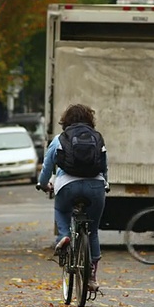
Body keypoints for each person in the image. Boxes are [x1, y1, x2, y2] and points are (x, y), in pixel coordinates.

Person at [37, 104, 108, 292]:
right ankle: (92, 277)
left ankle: (64, 236)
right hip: (95, 187)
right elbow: (104, 165)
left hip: (67, 186)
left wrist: (43, 183)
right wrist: (105, 183)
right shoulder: (97, 137)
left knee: (61, 210)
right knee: (92, 230)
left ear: (66, 120)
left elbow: (47, 166)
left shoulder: (60, 139)